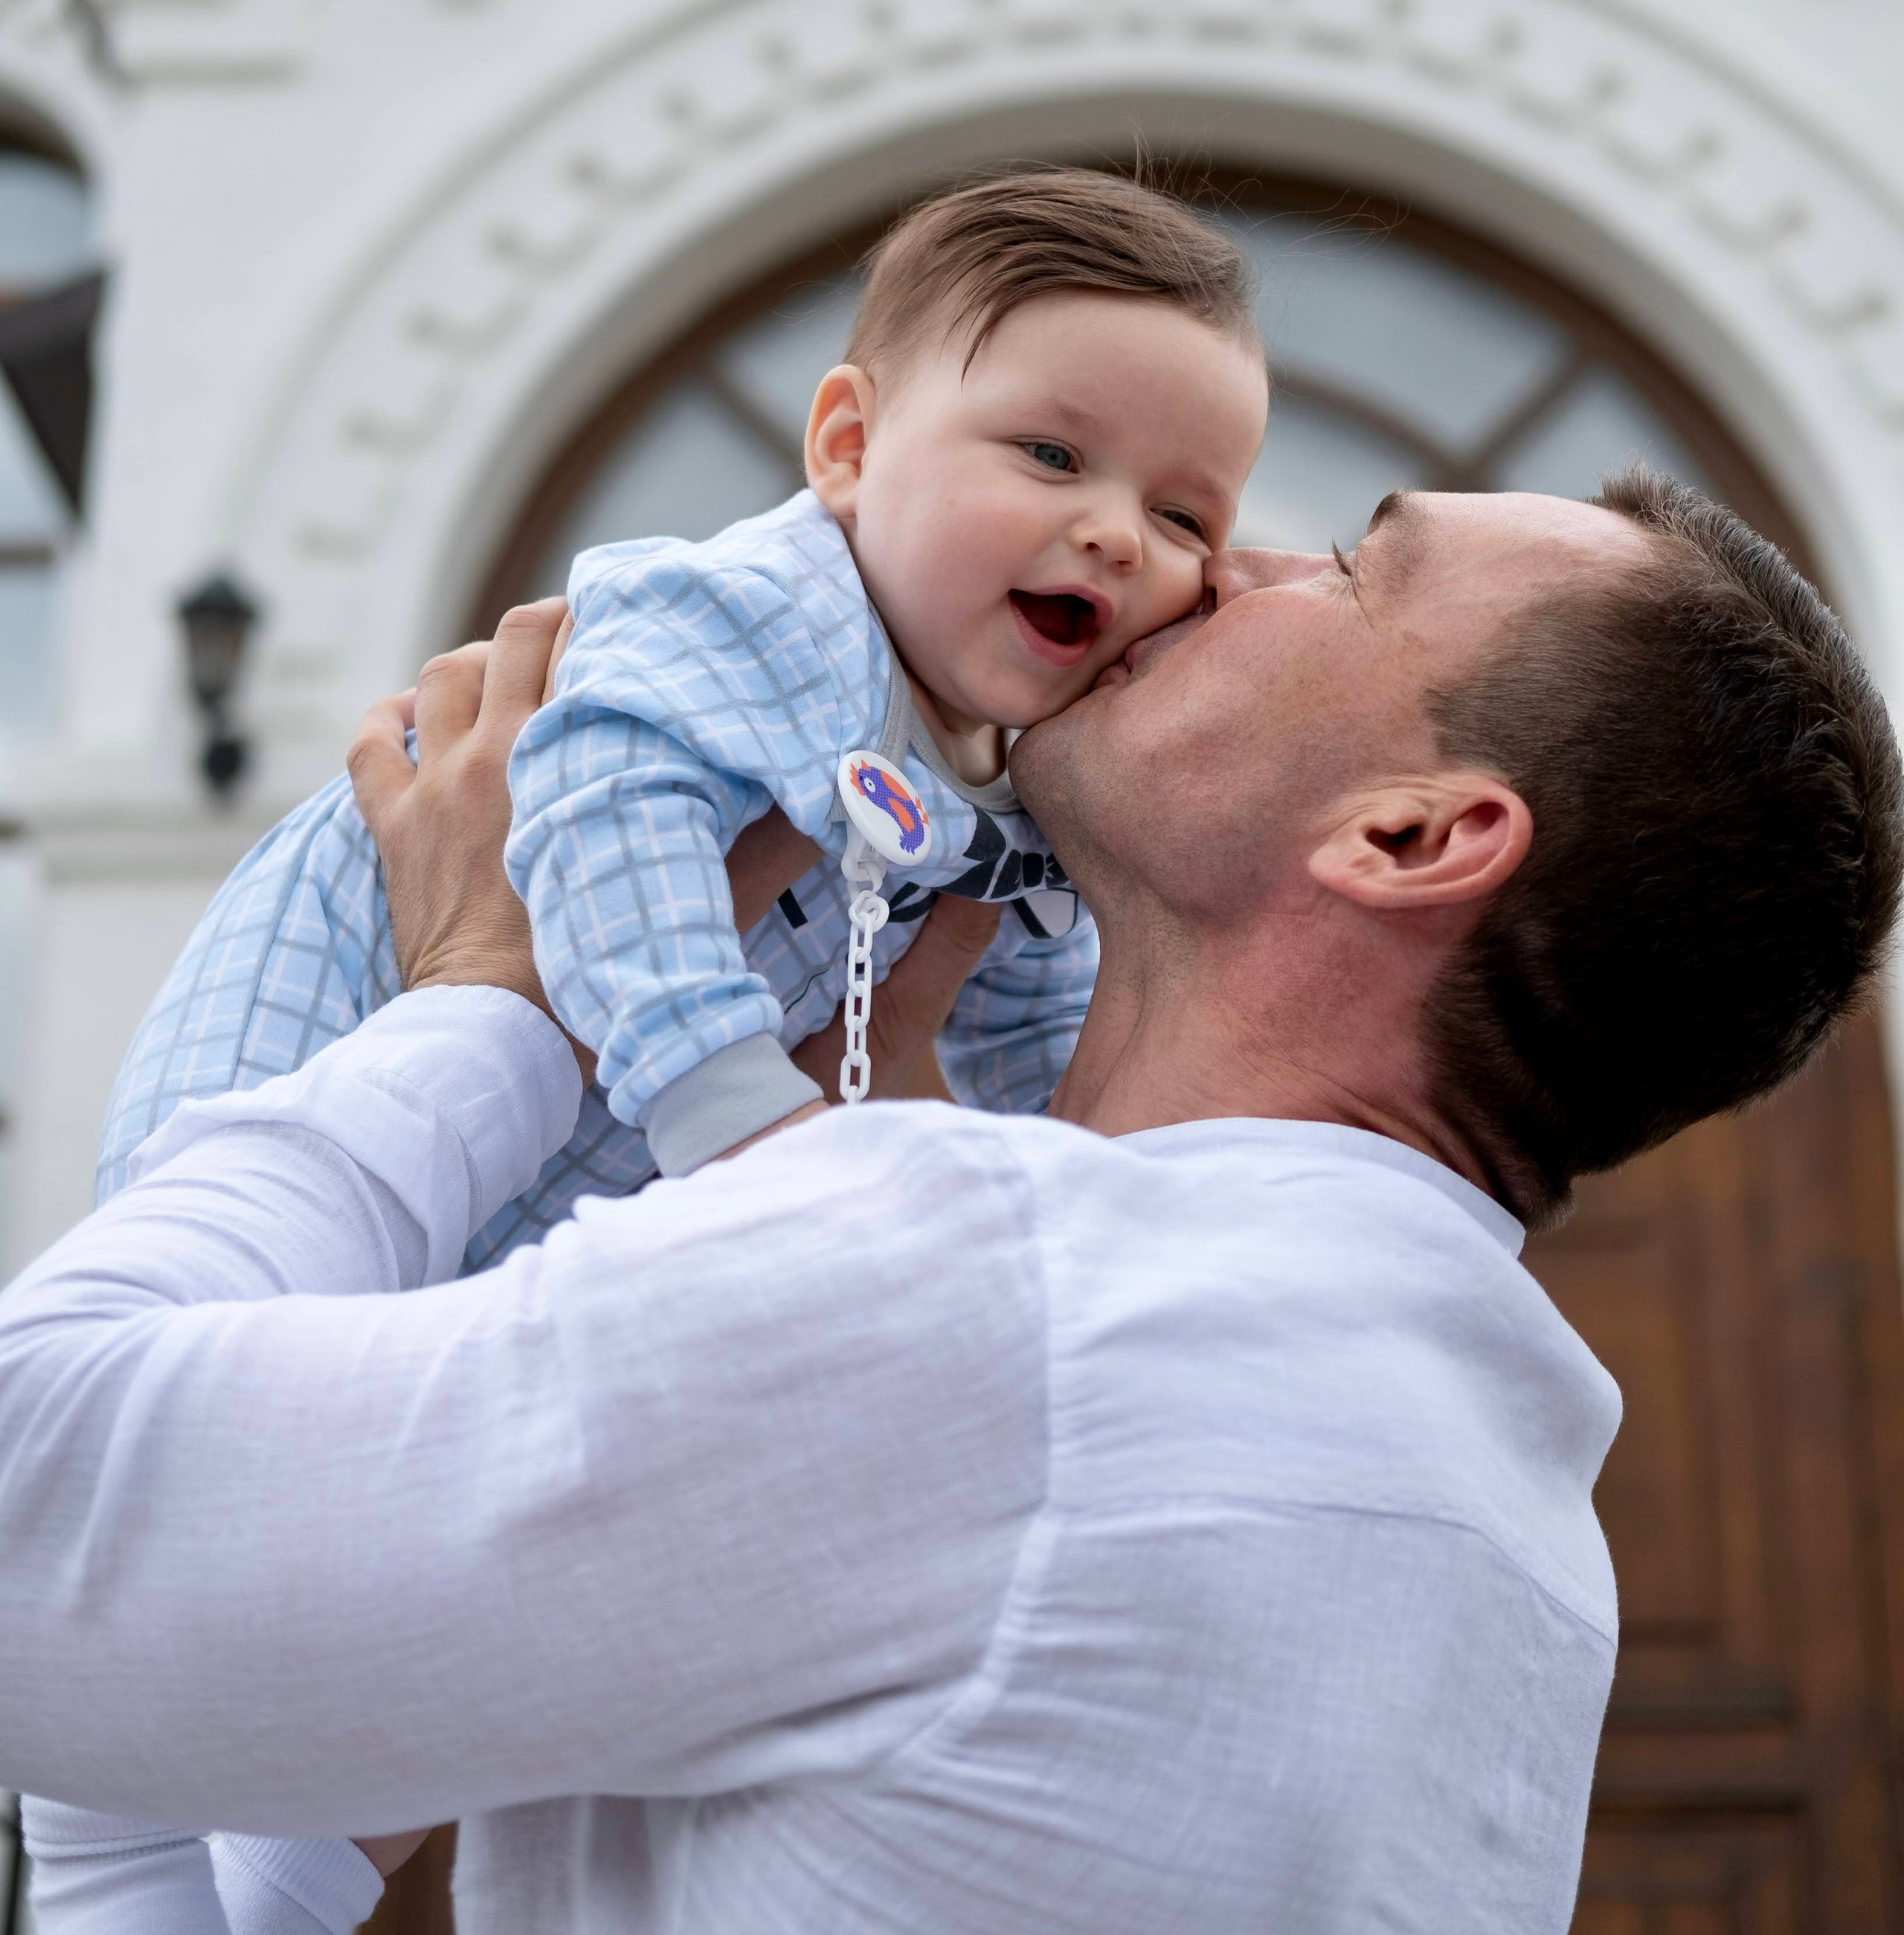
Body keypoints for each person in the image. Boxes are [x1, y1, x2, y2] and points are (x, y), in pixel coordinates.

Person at [3, 474, 1897, 1935]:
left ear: (1406, 839)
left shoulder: (1008, 1305)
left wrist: (491, 999)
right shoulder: (1520, 1544)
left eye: (1353, 570)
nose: (1224, 556)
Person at [42, 167, 1269, 1925]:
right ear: (844, 447)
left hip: (550, 1180)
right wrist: (738, 1114)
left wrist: (1091, 1207)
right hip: (338, 1039)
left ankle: (243, 1876)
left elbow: (1031, 1025)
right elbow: (595, 810)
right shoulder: (754, 613)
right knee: (231, 1446)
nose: (1117, 538)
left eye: (1186, 515)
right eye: (1052, 459)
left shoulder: (1020, 779)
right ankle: (100, 1769)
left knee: (465, 1626)